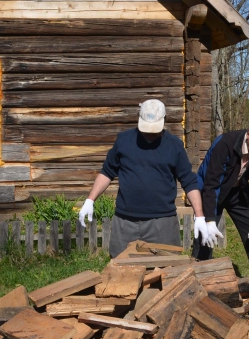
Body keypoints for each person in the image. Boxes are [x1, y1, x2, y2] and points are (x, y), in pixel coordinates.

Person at [78, 99, 205, 257]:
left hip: (162, 223)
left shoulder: (174, 146)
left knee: (167, 272)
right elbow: (107, 172)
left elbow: (189, 181)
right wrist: (90, 200)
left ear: (164, 120)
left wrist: (199, 215)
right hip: (125, 223)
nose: (150, 132)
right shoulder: (124, 141)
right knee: (121, 272)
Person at [192, 120, 249, 274]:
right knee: (205, 237)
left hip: (237, 191)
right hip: (211, 192)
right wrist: (209, 220)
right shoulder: (225, 144)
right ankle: (197, 279)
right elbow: (211, 184)